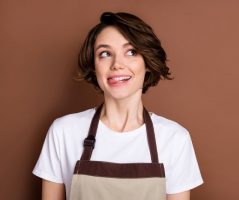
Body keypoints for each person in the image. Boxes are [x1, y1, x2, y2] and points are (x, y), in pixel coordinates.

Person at [33, 12, 203, 200]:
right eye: (105, 54)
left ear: (147, 63)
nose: (117, 64)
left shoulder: (175, 139)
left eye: (131, 52)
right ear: (94, 65)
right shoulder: (63, 132)